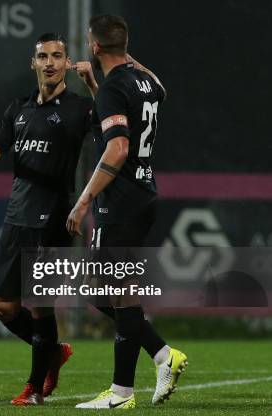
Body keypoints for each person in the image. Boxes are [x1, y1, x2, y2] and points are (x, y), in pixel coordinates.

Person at [0, 33, 95, 406]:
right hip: (16, 214)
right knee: (2, 306)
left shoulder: (78, 108)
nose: (50, 62)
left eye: (57, 56)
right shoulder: (18, 108)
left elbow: (114, 120)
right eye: (43, 56)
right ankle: (53, 352)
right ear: (33, 63)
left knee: (40, 302)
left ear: (67, 62)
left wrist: (91, 82)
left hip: (53, 216)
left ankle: (36, 388)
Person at [67, 15, 188, 409]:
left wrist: (84, 199)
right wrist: (96, 81)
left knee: (114, 293)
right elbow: (158, 94)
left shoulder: (114, 88)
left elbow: (117, 148)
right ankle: (161, 355)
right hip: (144, 193)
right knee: (106, 292)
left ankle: (121, 393)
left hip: (120, 201)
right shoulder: (144, 80)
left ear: (94, 46)